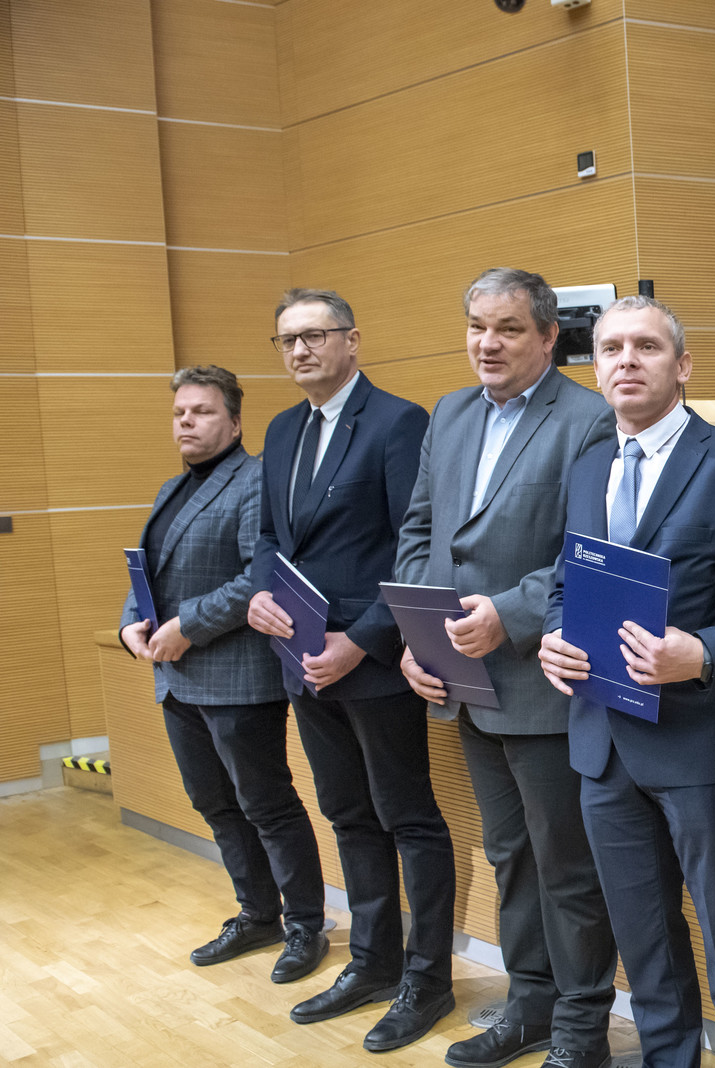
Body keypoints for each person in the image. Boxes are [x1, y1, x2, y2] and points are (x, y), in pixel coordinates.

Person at [539, 296, 715, 1068]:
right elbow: (564, 581)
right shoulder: (587, 466)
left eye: (645, 346)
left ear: (682, 366)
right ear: (595, 367)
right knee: (645, 948)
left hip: (700, 745)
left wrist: (704, 653)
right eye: (610, 347)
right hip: (603, 746)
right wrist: (553, 635)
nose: (625, 360)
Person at [393, 268, 619, 1068]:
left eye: (509, 329)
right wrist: (419, 635)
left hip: (540, 682)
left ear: (550, 337)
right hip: (461, 680)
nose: (487, 343)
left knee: (565, 866)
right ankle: (529, 1007)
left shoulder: (589, 419)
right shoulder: (450, 412)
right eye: (477, 327)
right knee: (509, 855)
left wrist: (511, 613)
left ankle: (581, 1029)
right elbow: (420, 531)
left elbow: (587, 551)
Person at [246, 288, 458, 1051]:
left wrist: (361, 642)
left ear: (352, 341)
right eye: (288, 340)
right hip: (302, 660)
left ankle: (427, 980)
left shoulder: (398, 423)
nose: (301, 350)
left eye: (315, 335)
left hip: (373, 663)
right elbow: (269, 538)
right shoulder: (281, 429)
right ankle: (373, 962)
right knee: (346, 814)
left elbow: (415, 547)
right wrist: (263, 596)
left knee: (409, 820)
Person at [120, 365, 327, 984]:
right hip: (176, 679)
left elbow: (254, 580)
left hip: (237, 676)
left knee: (266, 803)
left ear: (235, 423)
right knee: (213, 802)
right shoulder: (171, 488)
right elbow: (148, 572)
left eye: (202, 411)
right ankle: (258, 914)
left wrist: (187, 625)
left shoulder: (255, 480)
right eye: (179, 412)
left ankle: (305, 926)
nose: (186, 422)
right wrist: (130, 623)